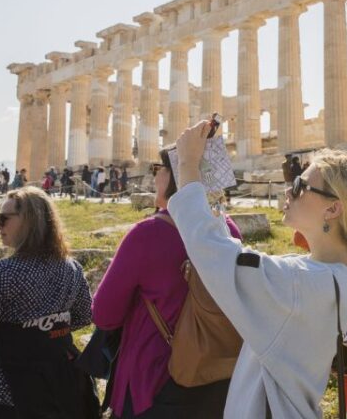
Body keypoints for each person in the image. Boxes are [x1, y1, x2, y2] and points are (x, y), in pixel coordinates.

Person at [170, 122, 347, 419]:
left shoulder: (302, 285)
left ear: (333, 209)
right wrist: (212, 194)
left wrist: (188, 165)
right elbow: (238, 257)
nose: (287, 191)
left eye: (299, 186)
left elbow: (214, 254)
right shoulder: (336, 275)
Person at [92, 148, 242, 418]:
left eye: (157, 170)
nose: (154, 178)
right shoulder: (229, 229)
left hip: (152, 381)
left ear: (176, 175)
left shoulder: (147, 234)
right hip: (214, 375)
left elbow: (104, 314)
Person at [0, 186, 94, 417]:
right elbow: (85, 315)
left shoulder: (3, 272)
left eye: (4, 218)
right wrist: (48, 332)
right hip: (60, 389)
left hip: (8, 395)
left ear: (29, 221)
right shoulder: (72, 268)